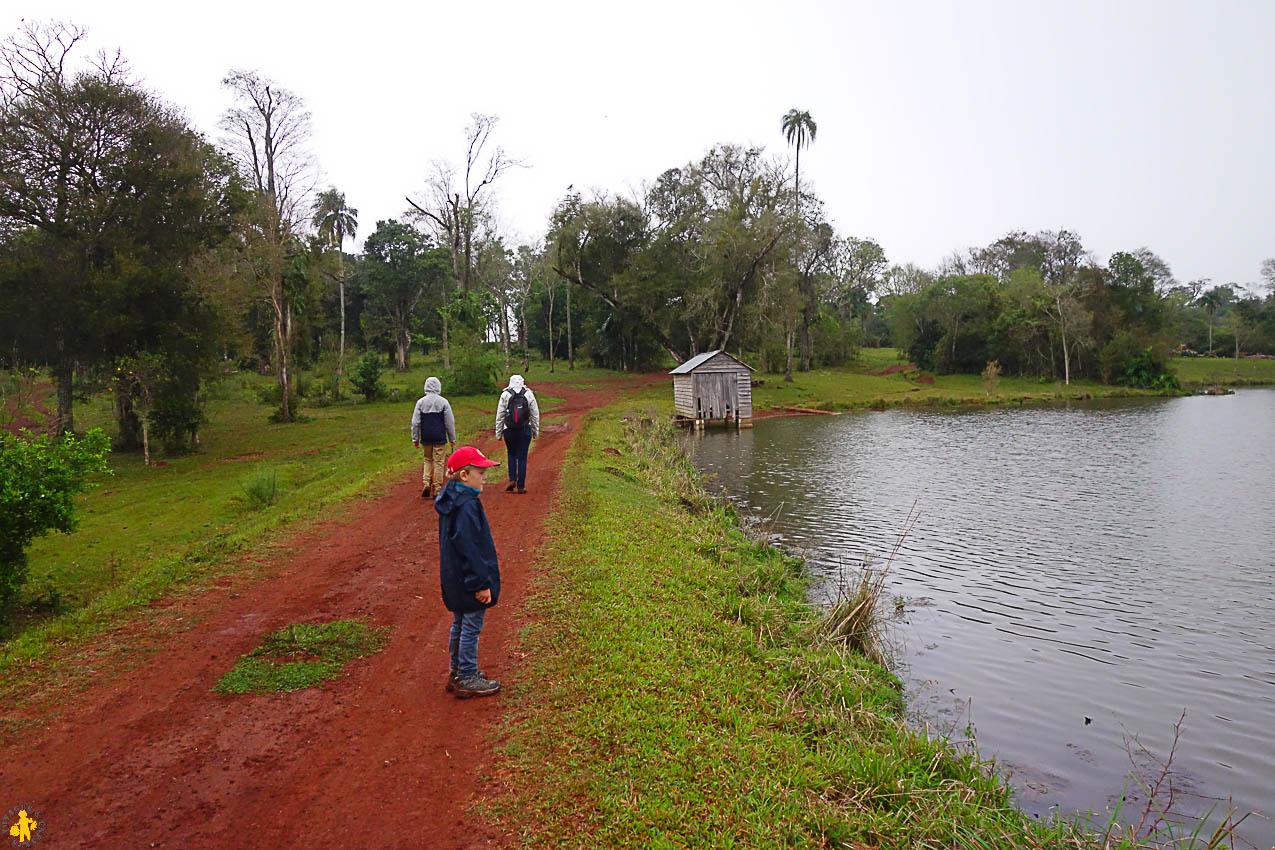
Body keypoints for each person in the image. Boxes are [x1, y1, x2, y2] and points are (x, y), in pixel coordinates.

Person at [435, 445, 503, 698]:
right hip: (468, 580)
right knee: (471, 627)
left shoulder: (450, 500)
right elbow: (470, 548)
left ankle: (458, 671)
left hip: (454, 578)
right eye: (480, 472)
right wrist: (480, 583)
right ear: (464, 475)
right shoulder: (467, 506)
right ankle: (466, 675)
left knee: (460, 624)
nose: (485, 477)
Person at [411, 377, 456, 499]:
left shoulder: (420, 402)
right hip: (439, 437)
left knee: (427, 460)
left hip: (426, 436)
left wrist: (415, 438)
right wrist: (452, 438)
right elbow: (449, 422)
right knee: (439, 462)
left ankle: (426, 483)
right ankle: (437, 488)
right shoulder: (443, 402)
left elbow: (415, 422)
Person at [494, 374, 539, 493]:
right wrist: (535, 431)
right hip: (525, 429)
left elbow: (500, 415)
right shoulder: (528, 394)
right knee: (522, 456)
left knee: (511, 454)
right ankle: (521, 486)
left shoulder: (505, 394)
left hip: (509, 429)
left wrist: (498, 433)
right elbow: (534, 414)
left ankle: (512, 479)